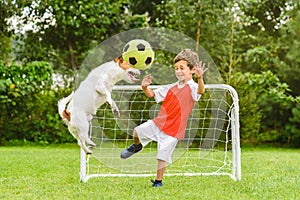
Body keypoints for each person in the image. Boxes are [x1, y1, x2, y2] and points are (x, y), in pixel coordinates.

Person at [120, 49, 208, 187]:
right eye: (176, 68)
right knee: (136, 131)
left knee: (162, 157)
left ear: (192, 70)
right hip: (158, 123)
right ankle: (137, 147)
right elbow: (151, 94)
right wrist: (144, 88)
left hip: (174, 130)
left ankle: (158, 182)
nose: (178, 71)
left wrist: (200, 78)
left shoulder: (193, 87)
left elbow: (200, 91)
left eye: (182, 68)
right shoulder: (170, 87)